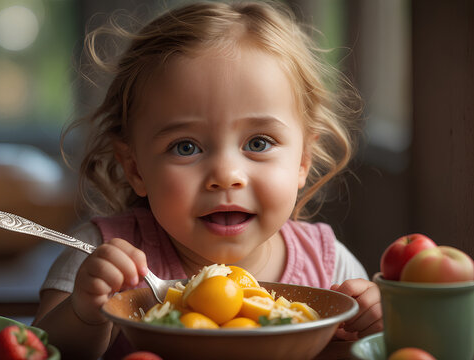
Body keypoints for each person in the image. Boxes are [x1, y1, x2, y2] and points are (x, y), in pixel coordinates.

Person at [33, 1, 382, 358]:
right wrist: (85, 314)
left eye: (258, 143)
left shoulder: (330, 268)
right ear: (135, 168)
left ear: (302, 160)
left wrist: (367, 328)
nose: (226, 176)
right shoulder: (100, 258)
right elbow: (40, 351)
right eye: (185, 147)